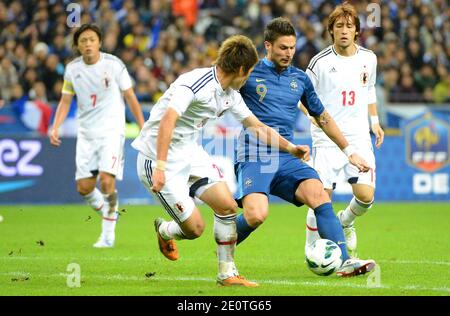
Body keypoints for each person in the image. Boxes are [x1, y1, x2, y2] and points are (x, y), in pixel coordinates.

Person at [131, 35, 310, 286]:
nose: (248, 78)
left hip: (190, 153)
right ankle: (165, 230)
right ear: (240, 69)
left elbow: (257, 127)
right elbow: (167, 121)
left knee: (227, 206)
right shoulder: (194, 83)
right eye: (248, 73)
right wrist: (160, 166)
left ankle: (227, 274)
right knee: (194, 229)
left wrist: (291, 148)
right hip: (156, 157)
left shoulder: (230, 95)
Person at [234, 17, 376, 277]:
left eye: (292, 47)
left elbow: (323, 118)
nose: (289, 53)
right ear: (268, 45)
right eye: (282, 48)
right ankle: (224, 242)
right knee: (256, 215)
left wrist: (349, 152)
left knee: (319, 196)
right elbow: (218, 90)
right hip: (255, 155)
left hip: (288, 158)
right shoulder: (248, 73)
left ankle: (344, 261)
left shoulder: (299, 80)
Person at [49, 24, 145, 248]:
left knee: (106, 179)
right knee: (83, 187)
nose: (88, 44)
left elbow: (130, 96)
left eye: (92, 39)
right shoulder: (72, 70)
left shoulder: (114, 65)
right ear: (77, 46)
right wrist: (55, 126)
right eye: (83, 41)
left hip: (111, 130)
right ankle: (109, 210)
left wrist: (142, 125)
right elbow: (65, 100)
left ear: (99, 42)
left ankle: (107, 236)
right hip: (86, 133)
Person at [303, 3, 384, 258]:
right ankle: (312, 247)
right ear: (331, 31)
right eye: (339, 26)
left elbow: (369, 89)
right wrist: (313, 117)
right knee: (320, 196)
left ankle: (346, 221)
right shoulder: (319, 63)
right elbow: (301, 96)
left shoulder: (369, 59)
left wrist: (375, 122)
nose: (344, 31)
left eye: (349, 26)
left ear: (357, 30)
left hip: (359, 136)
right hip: (327, 139)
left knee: (365, 197)